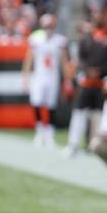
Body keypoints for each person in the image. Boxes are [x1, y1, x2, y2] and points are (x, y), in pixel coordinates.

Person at [64, 9, 107, 157]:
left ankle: (94, 146)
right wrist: (88, 70)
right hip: (86, 82)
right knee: (79, 114)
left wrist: (101, 70)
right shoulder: (87, 38)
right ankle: (73, 144)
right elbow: (80, 57)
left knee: (98, 116)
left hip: (101, 83)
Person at [22, 13, 72, 147]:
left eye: (50, 26)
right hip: (39, 76)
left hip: (53, 76)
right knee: (36, 103)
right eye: (46, 26)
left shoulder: (59, 41)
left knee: (51, 106)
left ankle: (49, 134)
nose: (48, 28)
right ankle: (39, 132)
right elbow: (29, 59)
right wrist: (25, 76)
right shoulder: (36, 39)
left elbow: (64, 61)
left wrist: (67, 80)